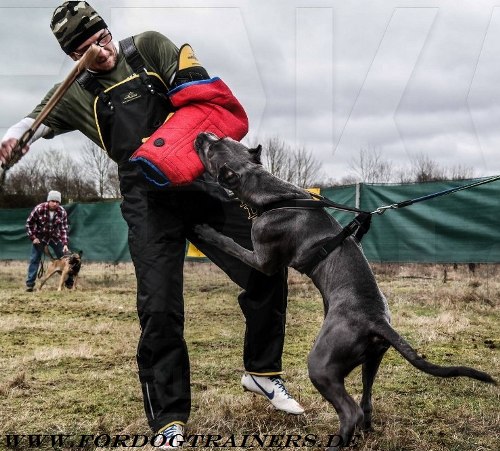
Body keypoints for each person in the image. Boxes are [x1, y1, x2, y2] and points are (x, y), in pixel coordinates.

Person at [0, 2, 303, 447]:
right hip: (145, 202)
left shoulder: (147, 48)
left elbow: (200, 99)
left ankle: (261, 372)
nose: (100, 53)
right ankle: (169, 420)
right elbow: (30, 123)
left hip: (198, 183)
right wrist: (11, 140)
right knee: (159, 309)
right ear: (71, 58)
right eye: (85, 51)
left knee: (267, 267)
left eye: (101, 39)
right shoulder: (75, 94)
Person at [25, 190, 73, 291]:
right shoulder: (39, 209)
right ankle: (30, 284)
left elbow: (64, 228)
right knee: (35, 259)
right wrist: (33, 237)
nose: (55, 203)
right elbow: (29, 224)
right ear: (48, 200)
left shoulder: (62, 212)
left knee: (67, 258)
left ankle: (69, 282)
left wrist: (65, 243)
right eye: (52, 201)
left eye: (57, 202)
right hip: (40, 237)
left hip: (55, 237)